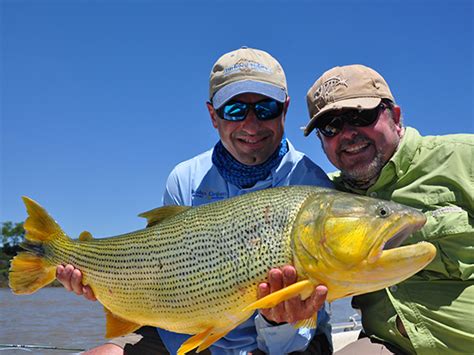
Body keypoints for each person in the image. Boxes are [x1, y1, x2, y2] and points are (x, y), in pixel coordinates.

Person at [57, 47, 334, 354]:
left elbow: (303, 327)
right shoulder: (184, 179)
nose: (251, 125)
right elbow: (161, 276)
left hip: (285, 340)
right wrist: (102, 284)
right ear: (213, 116)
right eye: (234, 110)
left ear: (285, 109)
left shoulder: (310, 186)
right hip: (190, 330)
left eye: (266, 108)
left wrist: (278, 323)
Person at [303, 64, 474, 354]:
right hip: (394, 346)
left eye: (360, 115)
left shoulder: (464, 158)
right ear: (321, 141)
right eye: (331, 126)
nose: (347, 134)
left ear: (395, 117)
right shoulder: (322, 201)